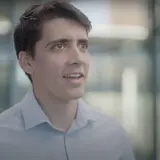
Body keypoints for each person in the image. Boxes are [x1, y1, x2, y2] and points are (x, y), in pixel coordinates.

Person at [0, 0, 135, 160]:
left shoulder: (114, 135)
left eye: (83, 46)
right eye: (60, 46)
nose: (78, 59)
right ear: (27, 62)